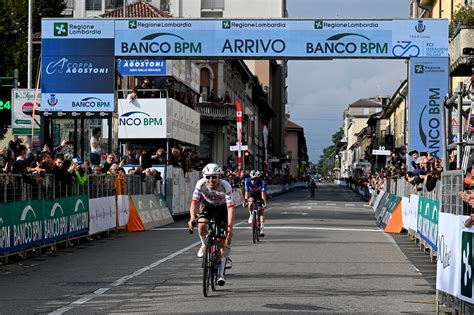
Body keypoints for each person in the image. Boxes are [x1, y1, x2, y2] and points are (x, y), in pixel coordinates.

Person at [188, 163, 235, 286]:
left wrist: (230, 226)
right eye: (208, 177)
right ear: (204, 177)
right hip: (208, 205)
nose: (211, 180)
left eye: (214, 177)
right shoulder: (200, 184)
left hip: (222, 208)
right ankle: (204, 244)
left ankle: (220, 269)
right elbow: (194, 202)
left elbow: (230, 208)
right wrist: (192, 217)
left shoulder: (225, 186)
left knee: (221, 240)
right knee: (202, 224)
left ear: (219, 177)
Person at [244, 170, 267, 237]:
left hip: (259, 195)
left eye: (255, 179)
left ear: (258, 178)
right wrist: (246, 201)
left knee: (261, 211)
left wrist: (264, 203)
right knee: (250, 202)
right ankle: (251, 215)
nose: (253, 180)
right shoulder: (247, 181)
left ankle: (262, 230)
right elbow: (246, 193)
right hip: (252, 194)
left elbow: (263, 194)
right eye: (252, 179)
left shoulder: (261, 181)